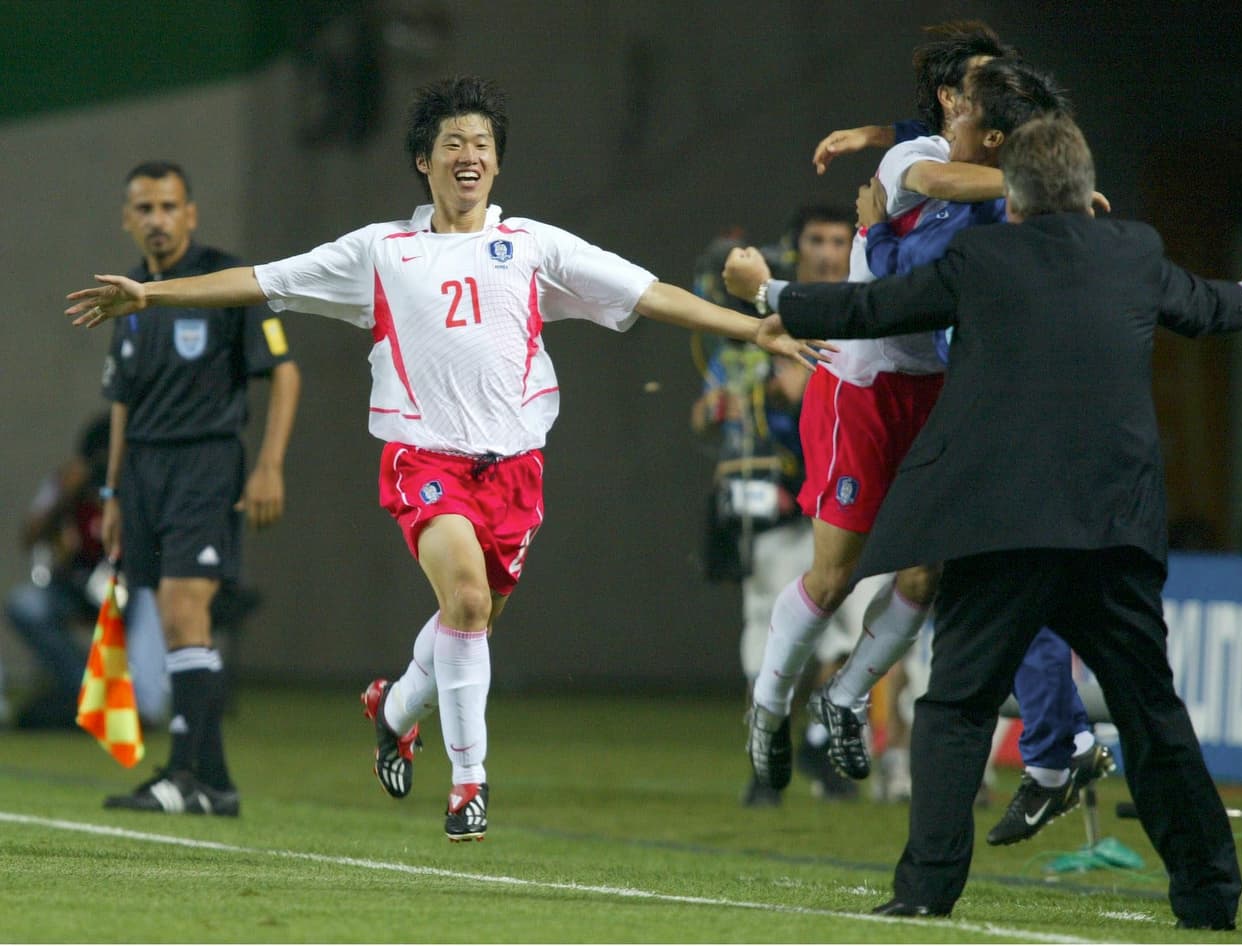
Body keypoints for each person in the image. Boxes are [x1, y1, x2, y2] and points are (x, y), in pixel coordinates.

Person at [66, 76, 829, 842]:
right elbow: (263, 280)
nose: (470, 155)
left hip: (515, 473)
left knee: (471, 622)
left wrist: (751, 328)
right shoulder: (381, 251)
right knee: (465, 602)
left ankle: (395, 708)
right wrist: (152, 296)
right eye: (453, 143)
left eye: (482, 144)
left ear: (497, 162)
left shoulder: (531, 246)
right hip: (424, 462)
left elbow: (649, 293)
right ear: (423, 161)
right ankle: (470, 785)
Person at [750, 114, 1242, 929]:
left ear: (1016, 197)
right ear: (1085, 188)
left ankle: (926, 889)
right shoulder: (1134, 251)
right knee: (1151, 713)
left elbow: (877, 307)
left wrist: (769, 293)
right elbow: (1207, 307)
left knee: (956, 708)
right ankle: (1210, 895)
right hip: (1112, 528)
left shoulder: (984, 256)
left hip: (999, 528)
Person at [730, 24, 1023, 803]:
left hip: (932, 390)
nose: (994, 99)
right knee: (833, 579)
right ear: (949, 99)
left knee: (926, 574)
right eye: (980, 85)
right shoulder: (913, 161)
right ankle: (768, 708)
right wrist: (1033, 180)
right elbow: (942, 181)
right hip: (860, 385)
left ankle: (848, 694)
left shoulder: (1004, 174)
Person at [853, 61, 1118, 846]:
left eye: (962, 111)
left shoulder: (993, 216)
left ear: (996, 140)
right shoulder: (990, 201)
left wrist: (872, 231)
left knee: (1003, 600)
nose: (949, 121)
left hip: (1016, 431)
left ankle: (1059, 753)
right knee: (1020, 599)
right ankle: (1058, 750)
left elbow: (900, 279)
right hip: (1021, 428)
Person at [91, 161, 301, 816]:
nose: (157, 219)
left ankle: (184, 775)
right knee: (175, 618)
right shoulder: (129, 298)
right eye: (144, 208)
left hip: (205, 463)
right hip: (143, 474)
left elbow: (284, 372)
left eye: (168, 206)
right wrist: (113, 494)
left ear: (191, 213)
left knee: (185, 610)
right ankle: (214, 784)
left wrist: (269, 464)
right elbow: (122, 403)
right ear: (127, 219)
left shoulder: (224, 281)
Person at [690, 206, 864, 805]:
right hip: (785, 503)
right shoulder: (773, 317)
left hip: (852, 497)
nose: (828, 252)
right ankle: (769, 759)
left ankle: (819, 742)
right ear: (796, 249)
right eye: (816, 240)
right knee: (771, 640)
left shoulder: (870, 305)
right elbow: (709, 411)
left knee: (853, 637)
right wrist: (729, 403)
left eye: (839, 240)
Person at [4, 413, 170, 729]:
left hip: (128, 589)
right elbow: (29, 537)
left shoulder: (143, 485)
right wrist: (63, 498)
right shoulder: (67, 482)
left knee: (155, 596)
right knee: (24, 604)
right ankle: (88, 689)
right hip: (76, 586)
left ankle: (142, 705)